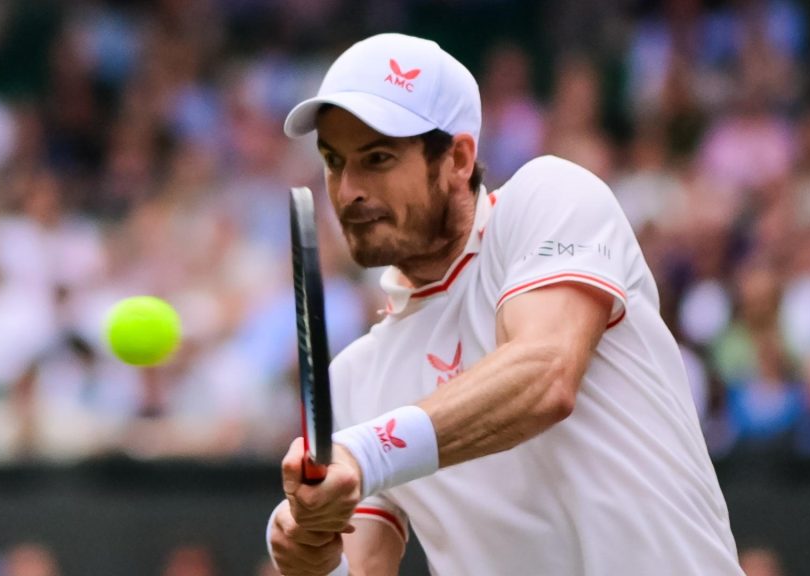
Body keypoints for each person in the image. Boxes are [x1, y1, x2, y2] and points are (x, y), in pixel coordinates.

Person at [266, 33, 741, 575]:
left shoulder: (551, 197)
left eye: (377, 158)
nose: (347, 190)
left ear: (458, 159)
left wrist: (368, 452)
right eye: (333, 161)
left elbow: (545, 374)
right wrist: (314, 558)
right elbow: (362, 566)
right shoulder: (354, 380)